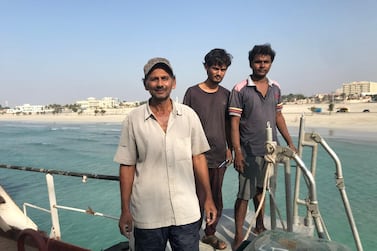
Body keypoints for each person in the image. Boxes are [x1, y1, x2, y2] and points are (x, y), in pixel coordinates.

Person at [114, 57, 217, 251]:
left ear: (173, 82)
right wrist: (125, 210)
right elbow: (127, 166)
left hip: (186, 213)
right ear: (145, 84)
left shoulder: (188, 116)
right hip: (147, 215)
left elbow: (199, 158)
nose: (160, 84)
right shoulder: (133, 120)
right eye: (154, 79)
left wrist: (209, 198)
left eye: (164, 78)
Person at [228, 44, 297, 250]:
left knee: (262, 190)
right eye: (258, 61)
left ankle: (259, 226)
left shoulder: (276, 87)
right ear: (251, 63)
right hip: (248, 151)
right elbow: (233, 123)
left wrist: (289, 142)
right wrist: (237, 151)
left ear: (271, 64)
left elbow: (278, 116)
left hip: (270, 151)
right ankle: (239, 234)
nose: (262, 65)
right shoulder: (240, 89)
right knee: (244, 194)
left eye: (266, 62)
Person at [183, 48, 233, 250]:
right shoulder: (192, 92)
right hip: (195, 156)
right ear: (206, 67)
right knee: (194, 197)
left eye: (223, 69)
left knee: (216, 196)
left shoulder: (227, 95)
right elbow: (183, 124)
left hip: (219, 156)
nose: (218, 73)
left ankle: (210, 234)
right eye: (215, 68)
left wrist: (230, 148)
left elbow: (230, 124)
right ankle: (190, 233)